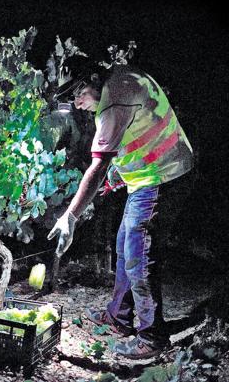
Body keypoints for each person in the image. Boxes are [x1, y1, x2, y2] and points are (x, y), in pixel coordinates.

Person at [48, 56, 193, 359]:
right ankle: (119, 316)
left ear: (93, 79)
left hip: (161, 176)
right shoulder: (121, 77)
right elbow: (134, 130)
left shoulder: (113, 103)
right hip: (151, 173)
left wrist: (70, 217)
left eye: (77, 93)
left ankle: (152, 337)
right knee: (125, 246)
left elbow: (97, 166)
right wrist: (120, 172)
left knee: (139, 254)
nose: (76, 104)